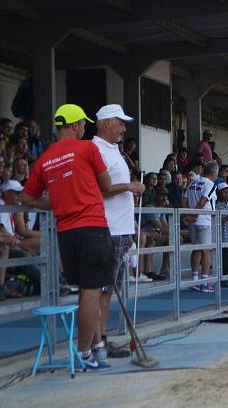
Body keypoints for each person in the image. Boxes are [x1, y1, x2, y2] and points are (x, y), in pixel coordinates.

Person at [21, 104, 114, 370]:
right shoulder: (88, 148)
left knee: (86, 291)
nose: (85, 128)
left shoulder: (45, 158)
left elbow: (27, 197)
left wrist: (57, 203)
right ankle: (83, 352)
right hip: (93, 226)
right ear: (75, 126)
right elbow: (106, 186)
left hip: (66, 232)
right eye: (83, 124)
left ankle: (95, 348)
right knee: (91, 291)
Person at [90, 104, 146, 361]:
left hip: (121, 229)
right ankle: (96, 342)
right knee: (101, 289)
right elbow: (99, 189)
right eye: (120, 122)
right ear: (105, 123)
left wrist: (131, 226)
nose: (124, 127)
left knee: (110, 290)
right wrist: (130, 186)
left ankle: (101, 339)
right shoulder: (95, 149)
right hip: (108, 230)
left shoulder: (115, 150)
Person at [186, 161, 219, 293]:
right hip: (204, 219)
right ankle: (204, 282)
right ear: (214, 173)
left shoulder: (193, 182)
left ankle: (194, 279)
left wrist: (188, 215)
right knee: (206, 250)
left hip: (193, 220)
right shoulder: (210, 184)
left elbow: (184, 199)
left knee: (196, 249)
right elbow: (203, 201)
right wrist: (195, 214)